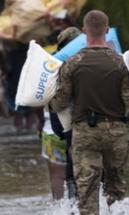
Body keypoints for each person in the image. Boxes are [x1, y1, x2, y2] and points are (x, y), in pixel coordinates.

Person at [50, 10, 129, 215]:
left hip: (85, 133)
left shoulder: (71, 63)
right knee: (117, 188)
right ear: (107, 30)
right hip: (117, 132)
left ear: (84, 32)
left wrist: (49, 101)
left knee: (87, 189)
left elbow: (60, 104)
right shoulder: (121, 63)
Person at [42, 27, 81, 200]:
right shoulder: (85, 63)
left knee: (57, 176)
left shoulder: (48, 65)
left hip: (51, 127)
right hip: (83, 128)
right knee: (86, 173)